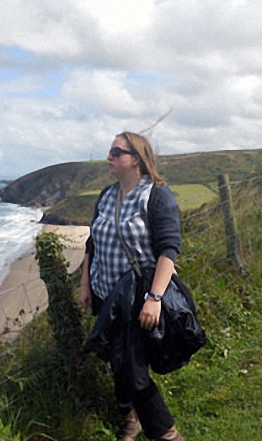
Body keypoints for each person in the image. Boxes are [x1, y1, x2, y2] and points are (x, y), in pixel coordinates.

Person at [79, 131, 185, 441]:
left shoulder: (156, 195)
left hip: (137, 298)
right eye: (110, 152)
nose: (109, 158)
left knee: (134, 371)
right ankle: (129, 414)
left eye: (116, 152)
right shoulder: (107, 195)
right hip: (104, 295)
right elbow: (92, 243)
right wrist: (85, 284)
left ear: (135, 159)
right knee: (115, 359)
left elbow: (169, 249)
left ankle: (166, 434)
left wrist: (154, 298)